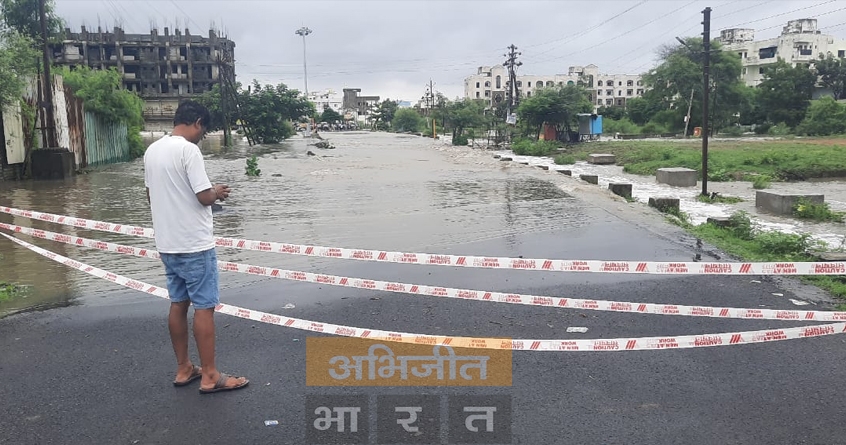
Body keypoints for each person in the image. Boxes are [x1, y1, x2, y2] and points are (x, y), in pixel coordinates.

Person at [144, 100, 249, 394]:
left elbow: (151, 197)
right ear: (198, 122)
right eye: (204, 129)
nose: (202, 135)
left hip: (167, 244)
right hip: (194, 244)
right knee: (204, 307)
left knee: (178, 304)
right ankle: (211, 376)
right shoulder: (189, 150)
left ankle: (184, 368)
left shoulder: (152, 150)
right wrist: (216, 191)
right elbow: (204, 197)